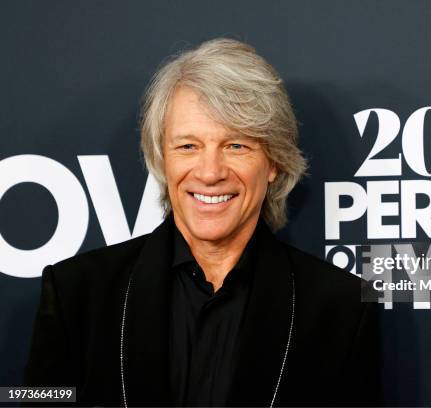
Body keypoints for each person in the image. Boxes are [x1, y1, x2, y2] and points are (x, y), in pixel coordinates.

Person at [24, 38, 382, 407]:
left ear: (274, 163)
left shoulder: (339, 308)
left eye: (236, 146)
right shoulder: (76, 293)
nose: (210, 173)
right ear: (162, 160)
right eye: (188, 146)